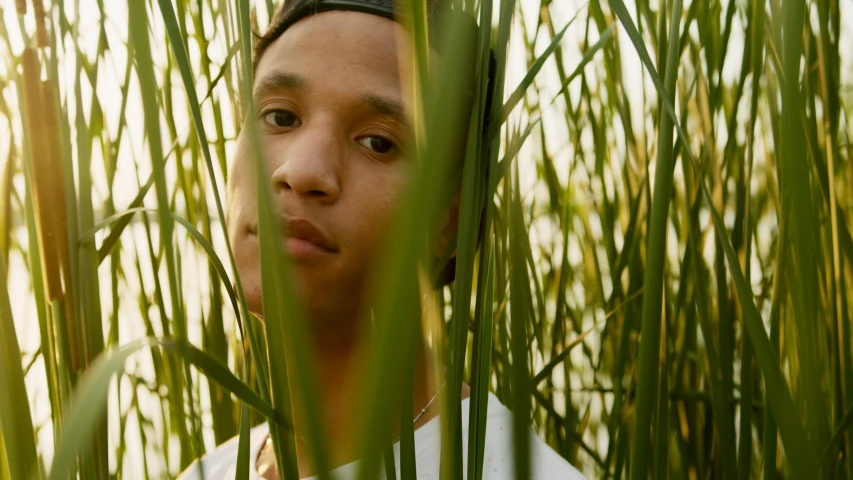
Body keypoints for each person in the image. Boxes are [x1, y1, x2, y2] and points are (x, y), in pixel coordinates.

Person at [180, 0, 586, 478]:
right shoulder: (209, 471)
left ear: (447, 224)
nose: (302, 170)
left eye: (379, 142)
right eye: (281, 117)